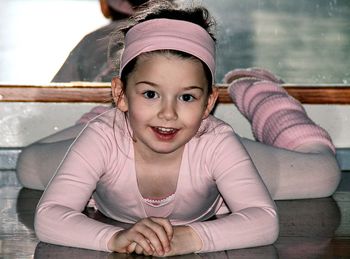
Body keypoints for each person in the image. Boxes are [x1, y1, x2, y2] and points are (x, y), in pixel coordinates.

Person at [34, 2, 279, 255]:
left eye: (186, 97)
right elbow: (48, 217)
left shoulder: (217, 143)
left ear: (208, 103)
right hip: (113, 131)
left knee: (320, 172)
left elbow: (265, 220)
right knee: (30, 165)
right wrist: (114, 238)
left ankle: (260, 90)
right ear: (120, 94)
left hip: (208, 146)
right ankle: (101, 115)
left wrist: (191, 237)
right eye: (151, 94)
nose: (168, 113)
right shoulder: (102, 138)